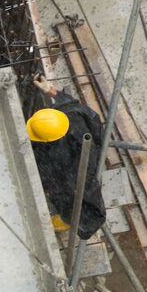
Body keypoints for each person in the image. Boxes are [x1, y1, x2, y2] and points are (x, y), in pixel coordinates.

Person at [29, 73, 106, 239]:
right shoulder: (69, 114)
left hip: (75, 169)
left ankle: (67, 220)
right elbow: (70, 103)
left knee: (66, 191)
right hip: (83, 142)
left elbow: (63, 179)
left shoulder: (72, 161)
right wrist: (50, 90)